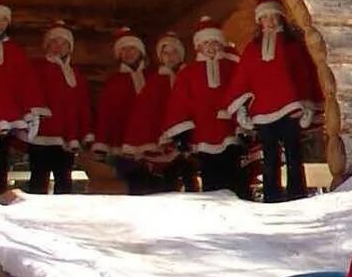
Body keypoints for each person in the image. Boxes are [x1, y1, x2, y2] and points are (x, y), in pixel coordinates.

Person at [225, 0, 323, 203]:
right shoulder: (252, 49)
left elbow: (303, 76)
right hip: (262, 113)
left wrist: (307, 106)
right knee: (269, 157)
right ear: (258, 21)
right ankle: (272, 197)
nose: (268, 21)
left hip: (290, 108)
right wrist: (242, 109)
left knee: (294, 154)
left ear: (280, 17)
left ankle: (297, 194)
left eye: (272, 16)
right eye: (264, 17)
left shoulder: (292, 46)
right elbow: (243, 79)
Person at [164, 17, 242, 193]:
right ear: (198, 46)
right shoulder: (188, 73)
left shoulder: (232, 67)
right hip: (202, 132)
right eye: (206, 43)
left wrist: (241, 124)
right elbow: (179, 102)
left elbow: (240, 92)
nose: (211, 47)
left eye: (215, 42)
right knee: (209, 174)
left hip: (228, 129)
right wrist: (183, 133)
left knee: (232, 171)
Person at [0, 0, 45, 196]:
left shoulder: (15, 50)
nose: (0, 24)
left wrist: (29, 109)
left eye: (4, 20)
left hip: (8, 113)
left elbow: (25, 81)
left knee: (1, 158)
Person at [27, 23, 93, 194]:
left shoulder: (75, 75)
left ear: (69, 48)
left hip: (66, 137)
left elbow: (82, 105)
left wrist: (84, 131)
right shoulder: (37, 68)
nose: (58, 47)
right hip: (42, 134)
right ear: (47, 45)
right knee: (38, 178)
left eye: (63, 43)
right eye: (54, 42)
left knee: (64, 178)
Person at [124, 31, 187, 193]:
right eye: (165, 53)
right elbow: (144, 113)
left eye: (174, 52)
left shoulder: (188, 76)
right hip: (158, 140)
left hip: (185, 139)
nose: (170, 57)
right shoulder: (155, 81)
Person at [93, 28, 152, 194]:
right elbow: (105, 114)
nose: (128, 53)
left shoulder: (154, 77)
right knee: (134, 186)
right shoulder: (113, 82)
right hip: (123, 144)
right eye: (123, 50)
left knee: (157, 187)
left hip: (153, 145)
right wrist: (102, 143)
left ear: (140, 51)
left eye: (132, 48)